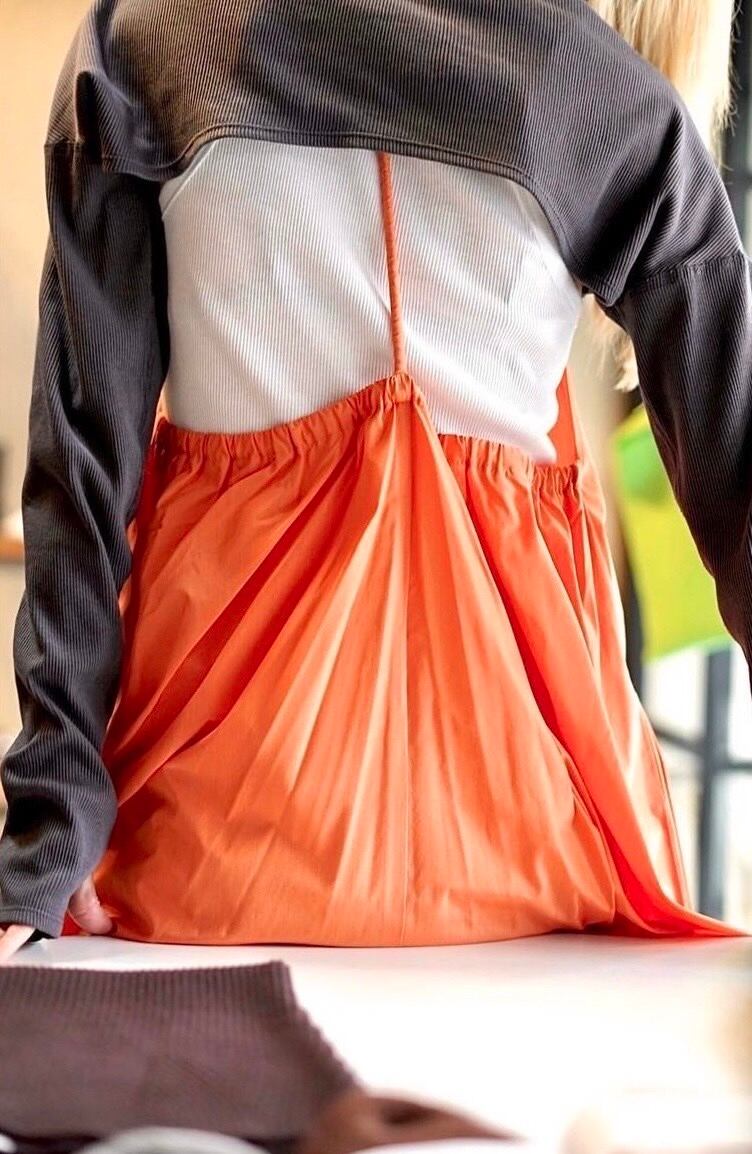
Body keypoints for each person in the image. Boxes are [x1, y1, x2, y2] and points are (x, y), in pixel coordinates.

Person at [1, 0, 750, 959]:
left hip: (209, 843)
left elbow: (81, 461)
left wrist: (52, 825)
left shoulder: (153, 39)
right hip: (542, 839)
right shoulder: (599, 94)